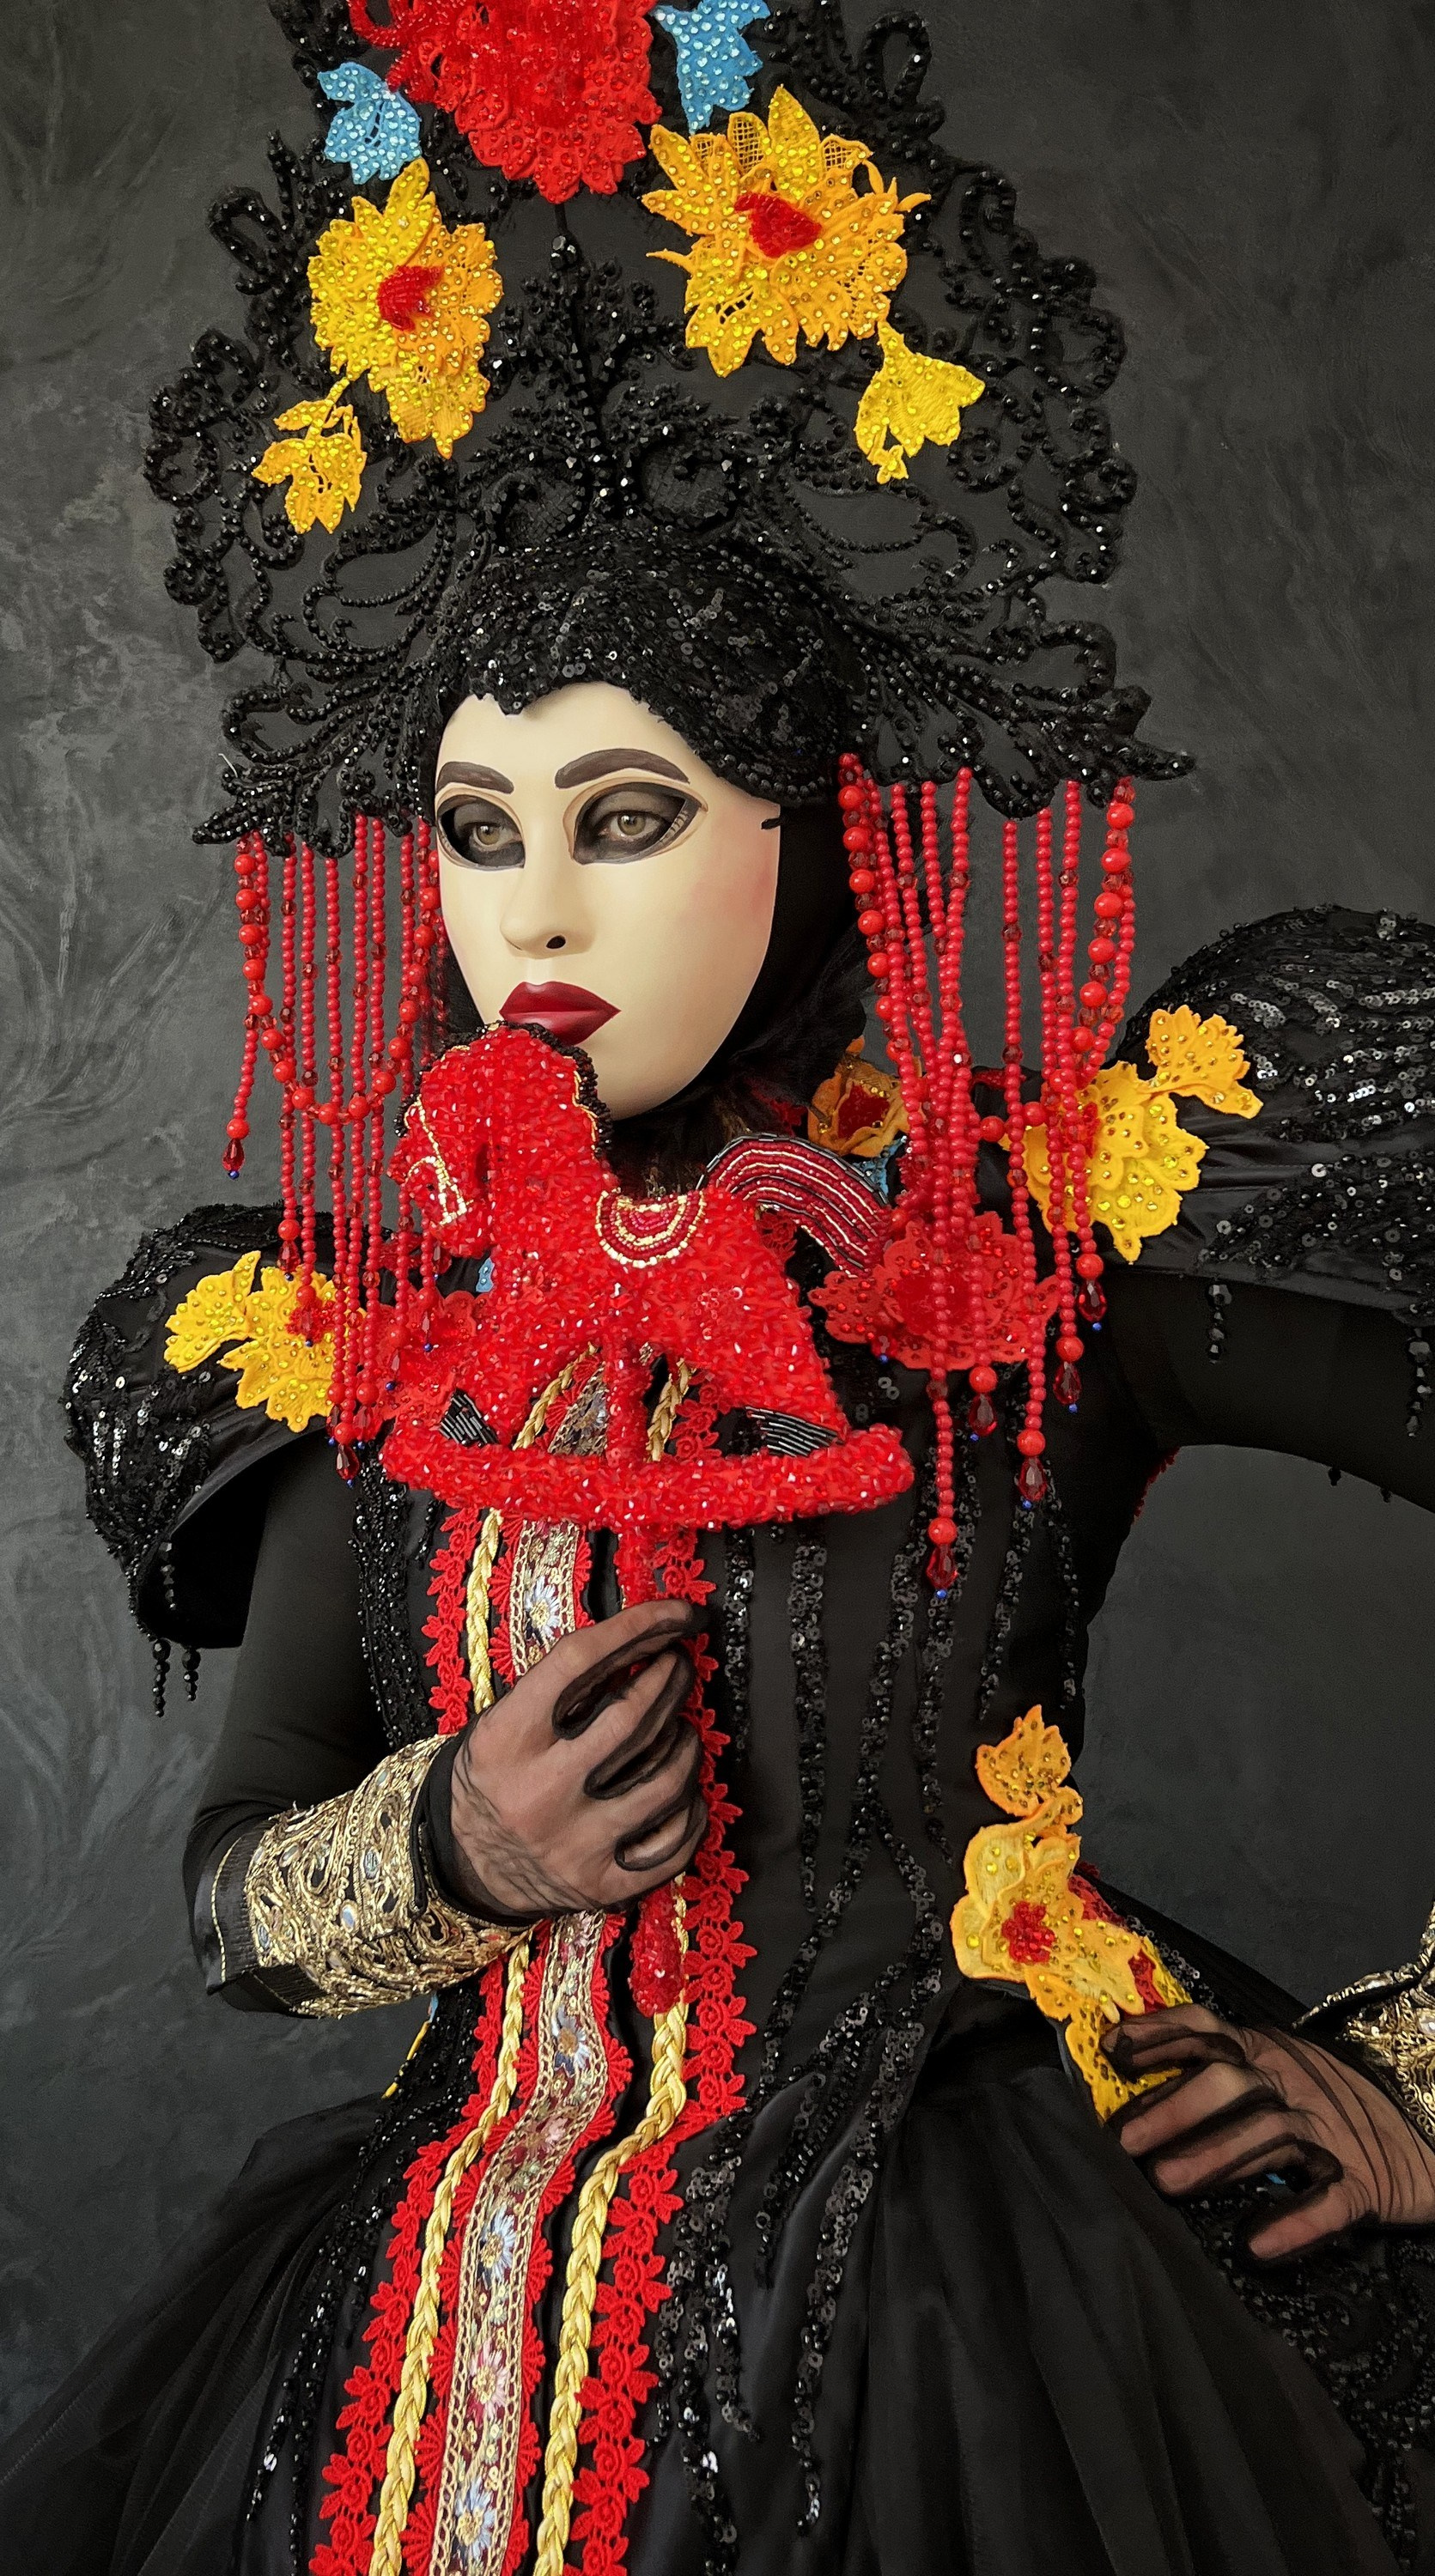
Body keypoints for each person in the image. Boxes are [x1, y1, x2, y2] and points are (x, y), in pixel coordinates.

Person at [7, 5, 1435, 2573]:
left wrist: (1416, 2077)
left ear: (813, 836)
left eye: (629, 813)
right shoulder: (360, 1323)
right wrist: (453, 1843)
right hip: (439, 2306)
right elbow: (236, 1882)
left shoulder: (1044, 1242)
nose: (533, 908)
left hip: (987, 2304)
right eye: (475, 828)